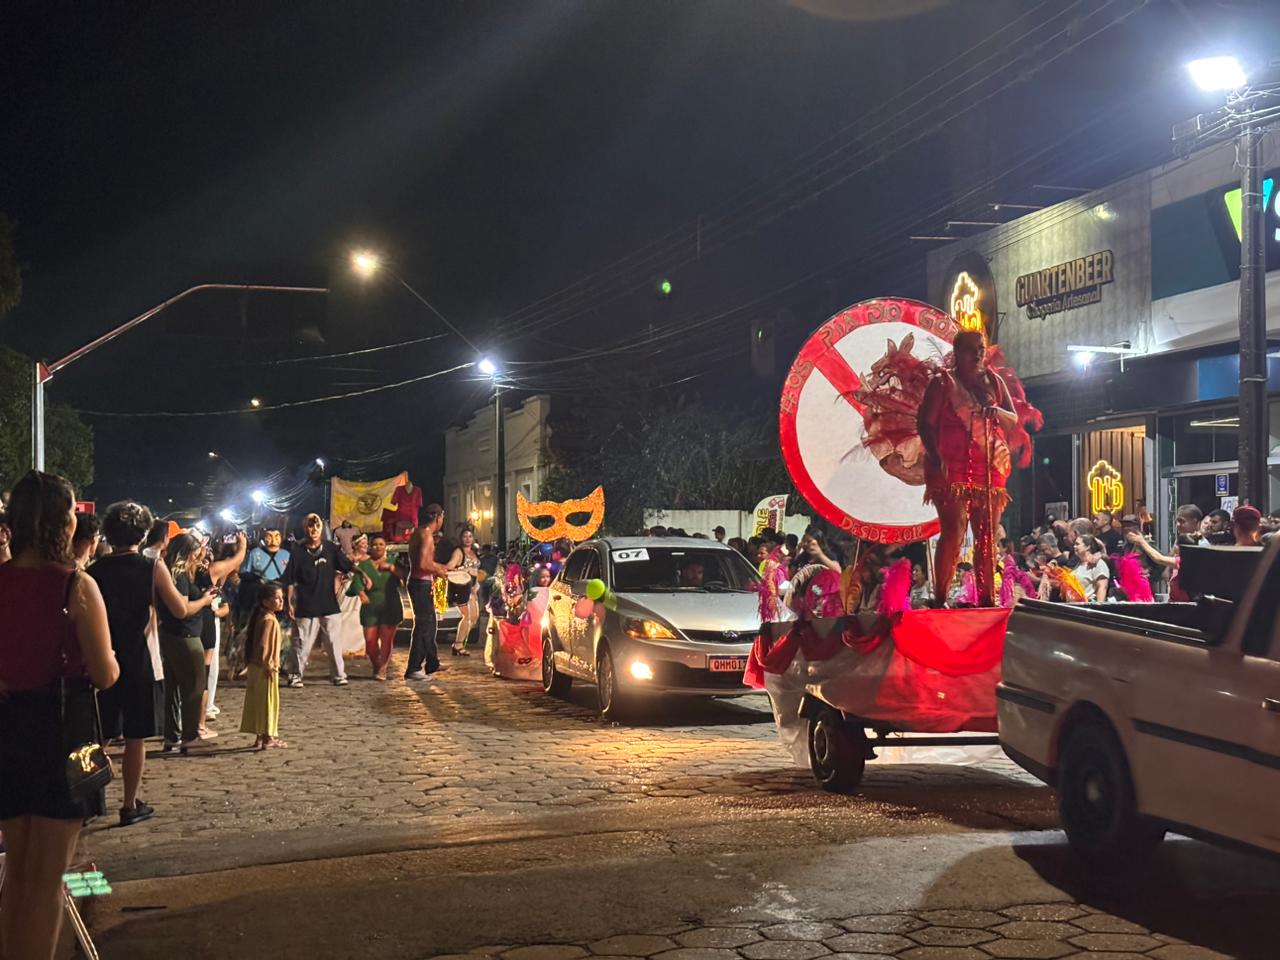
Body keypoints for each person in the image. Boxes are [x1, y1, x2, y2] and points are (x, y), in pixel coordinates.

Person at [0, 471, 119, 960]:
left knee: (17, 872)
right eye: (72, 511)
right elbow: (105, 674)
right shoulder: (76, 585)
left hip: (8, 729)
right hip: (60, 731)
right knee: (48, 881)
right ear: (61, 523)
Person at [90, 501, 209, 826]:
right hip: (141, 657)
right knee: (135, 736)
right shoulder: (152, 568)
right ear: (143, 534)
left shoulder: (95, 571)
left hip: (104, 655)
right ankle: (130, 804)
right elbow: (179, 609)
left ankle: (88, 799)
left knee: (100, 735)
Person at [918, 330, 1020, 607]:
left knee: (987, 535)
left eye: (981, 349)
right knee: (954, 531)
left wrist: (996, 412)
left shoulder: (995, 382)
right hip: (951, 467)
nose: (977, 355)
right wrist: (936, 455)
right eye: (971, 349)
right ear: (957, 352)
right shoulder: (943, 383)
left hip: (990, 467)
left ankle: (987, 599)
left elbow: (1012, 419)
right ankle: (940, 598)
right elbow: (926, 424)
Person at [157, 533, 220, 753]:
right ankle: (190, 737)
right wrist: (205, 600)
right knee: (194, 686)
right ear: (186, 552)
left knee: (173, 687)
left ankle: (172, 736)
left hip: (170, 634)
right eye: (195, 553)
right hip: (185, 636)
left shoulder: (168, 572)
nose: (197, 557)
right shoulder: (179, 575)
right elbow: (182, 609)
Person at [283, 513, 356, 687]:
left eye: (317, 526)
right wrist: (289, 602)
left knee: (333, 642)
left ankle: (338, 675)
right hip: (306, 604)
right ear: (305, 528)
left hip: (328, 603)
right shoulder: (297, 551)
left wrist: (363, 575)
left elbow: (347, 565)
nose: (314, 529)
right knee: (302, 642)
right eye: (310, 526)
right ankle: (295, 675)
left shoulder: (330, 548)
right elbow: (290, 579)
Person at [405, 504, 450, 681]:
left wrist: (438, 568)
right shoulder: (426, 535)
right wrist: (439, 569)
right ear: (438, 517)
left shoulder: (419, 532)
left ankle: (432, 662)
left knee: (430, 624)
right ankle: (414, 668)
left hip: (420, 582)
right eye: (442, 518)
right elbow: (423, 564)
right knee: (424, 625)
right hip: (420, 583)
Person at [350, 535, 404, 680]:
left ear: (385, 546)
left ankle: (382, 669)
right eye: (375, 544)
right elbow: (356, 582)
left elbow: (404, 576)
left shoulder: (394, 562)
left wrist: (391, 568)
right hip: (370, 606)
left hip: (390, 604)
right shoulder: (364, 565)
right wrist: (361, 593)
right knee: (370, 641)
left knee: (386, 639)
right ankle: (377, 664)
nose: (378, 547)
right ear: (370, 547)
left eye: (381, 544)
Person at [241, 582, 287, 749]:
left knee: (258, 702)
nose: (281, 601)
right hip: (265, 667)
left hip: (257, 666)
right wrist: (268, 664)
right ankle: (268, 738)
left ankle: (260, 737)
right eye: (277, 598)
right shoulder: (268, 620)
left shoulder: (262, 617)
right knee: (267, 702)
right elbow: (263, 645)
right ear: (266, 601)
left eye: (282, 598)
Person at [445, 526, 481, 657]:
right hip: (462, 589)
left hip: (473, 589)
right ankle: (458, 645)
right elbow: (449, 567)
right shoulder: (458, 552)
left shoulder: (474, 552)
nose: (468, 539)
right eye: (465, 536)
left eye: (470, 536)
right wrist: (463, 571)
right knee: (467, 616)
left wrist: (476, 585)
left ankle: (459, 643)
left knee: (474, 618)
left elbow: (476, 570)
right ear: (461, 538)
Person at [1074, 535, 1110, 603]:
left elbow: (1102, 587)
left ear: (1087, 547)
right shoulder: (1078, 564)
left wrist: (1099, 606)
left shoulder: (1098, 564)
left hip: (1087, 606)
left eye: (1077, 544)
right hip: (1073, 605)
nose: (1074, 546)